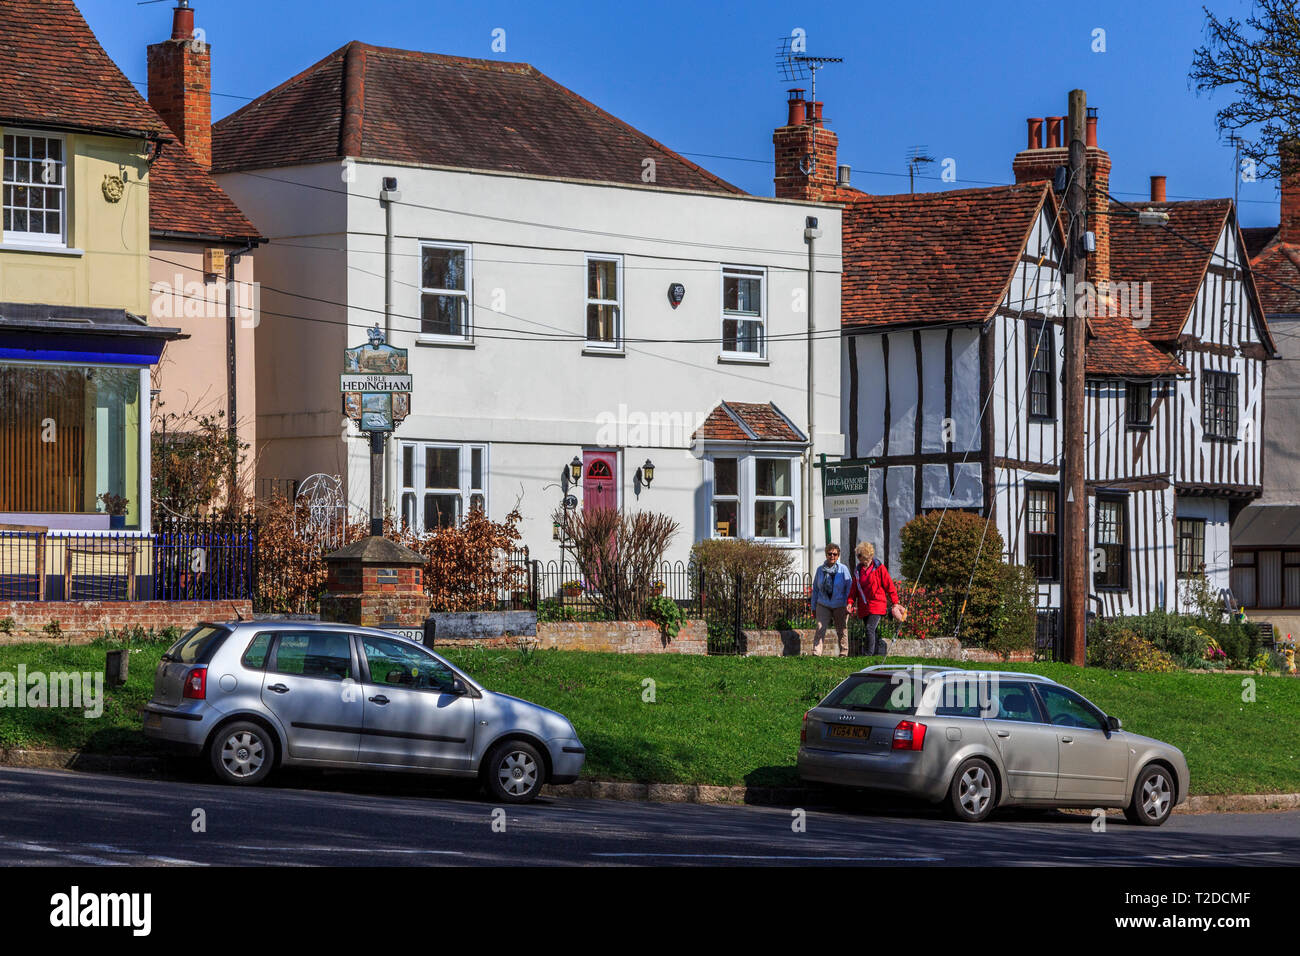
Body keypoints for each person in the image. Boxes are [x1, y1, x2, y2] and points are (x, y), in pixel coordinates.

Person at [851, 542, 900, 657]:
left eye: (868, 558)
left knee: (870, 628)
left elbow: (889, 585)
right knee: (872, 631)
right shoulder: (858, 571)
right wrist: (850, 602)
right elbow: (854, 589)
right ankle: (878, 652)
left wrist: (895, 602)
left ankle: (868, 654)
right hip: (864, 605)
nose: (866, 561)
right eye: (863, 558)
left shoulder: (879, 568)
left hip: (877, 604)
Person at [810, 544, 852, 656]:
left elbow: (849, 587)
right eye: (830, 554)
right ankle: (816, 652)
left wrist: (849, 603)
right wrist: (813, 606)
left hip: (840, 604)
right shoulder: (820, 570)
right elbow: (815, 589)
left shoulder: (843, 569)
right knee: (820, 628)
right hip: (823, 603)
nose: (832, 556)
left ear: (838, 556)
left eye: (835, 554)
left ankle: (844, 652)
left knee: (842, 629)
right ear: (826, 555)